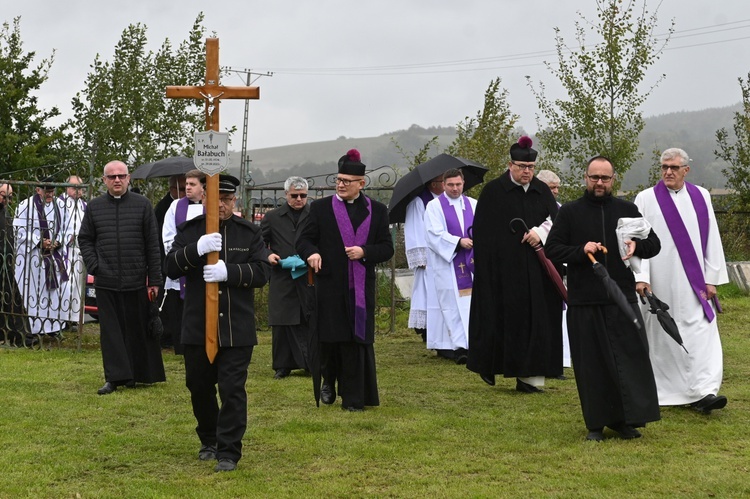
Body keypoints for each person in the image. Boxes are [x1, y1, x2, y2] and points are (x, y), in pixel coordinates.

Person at [545, 156, 662, 441]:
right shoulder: (570, 212)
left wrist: (637, 245)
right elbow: (552, 250)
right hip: (585, 301)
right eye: (594, 177)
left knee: (629, 360)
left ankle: (626, 421)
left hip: (621, 298)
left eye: (605, 178)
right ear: (585, 178)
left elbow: (654, 244)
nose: (599, 183)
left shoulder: (627, 209)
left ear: (613, 180)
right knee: (592, 364)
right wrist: (580, 249)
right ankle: (596, 424)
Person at [165, 174, 270, 472]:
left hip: (236, 327)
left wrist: (230, 273)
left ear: (234, 201)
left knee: (232, 388)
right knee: (198, 386)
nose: (222, 204)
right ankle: (209, 439)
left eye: (227, 199)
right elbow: (169, 267)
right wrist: (196, 250)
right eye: (216, 198)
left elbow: (263, 272)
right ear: (204, 198)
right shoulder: (190, 231)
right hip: (198, 325)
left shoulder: (248, 233)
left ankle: (228, 451)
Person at [296, 149, 394, 411]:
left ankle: (352, 398)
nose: (340, 185)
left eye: (346, 181)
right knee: (330, 340)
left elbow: (387, 248)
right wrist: (312, 253)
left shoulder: (378, 211)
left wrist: (365, 252)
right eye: (338, 180)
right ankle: (328, 379)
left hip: (361, 289)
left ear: (361, 184)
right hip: (329, 286)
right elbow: (303, 241)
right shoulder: (320, 208)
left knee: (354, 341)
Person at [633, 148, 729, 414]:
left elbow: (711, 239)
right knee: (663, 334)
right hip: (660, 283)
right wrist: (641, 277)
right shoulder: (646, 198)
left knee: (701, 333)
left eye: (674, 168)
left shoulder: (702, 196)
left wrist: (712, 279)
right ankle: (665, 391)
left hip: (695, 285)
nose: (668, 172)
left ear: (686, 170)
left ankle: (705, 391)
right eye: (664, 167)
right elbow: (636, 242)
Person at [466, 137, 563, 393]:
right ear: (510, 165)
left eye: (530, 167)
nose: (526, 172)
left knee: (536, 321)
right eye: (521, 166)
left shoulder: (541, 190)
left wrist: (539, 233)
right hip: (503, 272)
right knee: (505, 321)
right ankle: (494, 364)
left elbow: (557, 221)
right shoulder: (493, 192)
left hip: (537, 270)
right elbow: (483, 234)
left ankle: (529, 377)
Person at [78, 161, 165, 395]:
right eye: (112, 176)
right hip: (106, 281)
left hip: (136, 280)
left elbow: (153, 245)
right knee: (111, 333)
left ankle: (135, 375)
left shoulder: (143, 205)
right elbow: (84, 239)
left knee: (136, 330)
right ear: (104, 180)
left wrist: (155, 280)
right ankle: (114, 378)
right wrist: (95, 266)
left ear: (128, 179)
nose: (117, 180)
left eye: (121, 175)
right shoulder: (95, 207)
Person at [261, 176, 312, 379]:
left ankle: (309, 362)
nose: (299, 199)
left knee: (307, 319)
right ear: (286, 195)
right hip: (282, 275)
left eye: (303, 195)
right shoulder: (272, 217)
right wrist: (268, 255)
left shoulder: (315, 214)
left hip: (308, 274)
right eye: (294, 195)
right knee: (282, 322)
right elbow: (258, 243)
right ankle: (282, 365)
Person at [424, 169, 476, 364]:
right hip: (447, 264)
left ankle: (474, 343)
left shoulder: (473, 204)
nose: (455, 188)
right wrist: (457, 242)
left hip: (472, 263)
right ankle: (459, 347)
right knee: (452, 305)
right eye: (451, 185)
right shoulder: (434, 206)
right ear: (443, 185)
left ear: (463, 184)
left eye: (458, 184)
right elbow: (432, 233)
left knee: (472, 304)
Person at [13, 179, 68, 337]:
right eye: (46, 192)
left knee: (54, 294)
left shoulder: (61, 205)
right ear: (38, 190)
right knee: (34, 293)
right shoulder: (26, 206)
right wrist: (38, 241)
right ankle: (35, 328)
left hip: (53, 254)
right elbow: (19, 229)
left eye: (52, 191)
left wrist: (58, 241)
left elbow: (68, 227)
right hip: (33, 258)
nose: (50, 194)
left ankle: (53, 327)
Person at [161, 169, 205, 355]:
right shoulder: (176, 206)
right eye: (186, 184)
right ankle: (181, 345)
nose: (187, 188)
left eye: (192, 184)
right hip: (181, 264)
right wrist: (183, 256)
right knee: (179, 309)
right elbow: (168, 236)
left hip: (204, 267)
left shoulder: (211, 206)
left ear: (204, 187)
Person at [536, 169, 571, 373]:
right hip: (535, 265)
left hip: (557, 266)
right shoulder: (532, 207)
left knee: (557, 314)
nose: (556, 191)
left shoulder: (560, 209)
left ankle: (558, 360)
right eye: (552, 187)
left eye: (557, 187)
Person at [404, 174, 444, 343]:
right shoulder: (419, 202)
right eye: (444, 181)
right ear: (434, 183)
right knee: (426, 293)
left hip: (446, 257)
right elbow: (414, 229)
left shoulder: (446, 201)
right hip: (427, 258)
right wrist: (420, 257)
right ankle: (426, 329)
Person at [154, 174, 186, 349]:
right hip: (165, 259)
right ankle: (166, 336)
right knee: (167, 304)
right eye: (180, 188)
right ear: (171, 189)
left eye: (186, 186)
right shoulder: (164, 207)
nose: (183, 191)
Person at [0, 183, 32, 347]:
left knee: (12, 299)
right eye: (5, 196)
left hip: (6, 262)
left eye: (10, 197)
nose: (8, 200)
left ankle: (20, 336)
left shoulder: (5, 211)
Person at [59, 175, 87, 330]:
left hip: (79, 251)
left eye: (80, 188)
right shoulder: (60, 203)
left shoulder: (84, 205)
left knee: (78, 287)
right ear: (67, 187)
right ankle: (62, 319)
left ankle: (74, 318)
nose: (78, 191)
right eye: (75, 187)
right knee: (66, 285)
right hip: (65, 250)